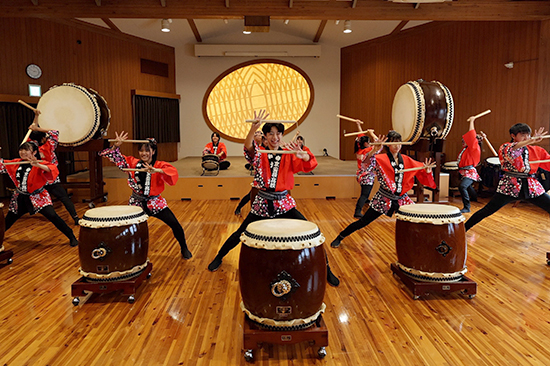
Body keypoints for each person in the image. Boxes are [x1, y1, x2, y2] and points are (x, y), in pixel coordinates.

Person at [208, 110, 340, 287]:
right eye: (270, 133)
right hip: (262, 203)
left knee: (313, 234)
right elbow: (248, 147)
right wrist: (252, 129)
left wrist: (303, 155)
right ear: (265, 136)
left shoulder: (288, 152)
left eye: (278, 133)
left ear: (282, 135)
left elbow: (309, 162)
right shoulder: (259, 153)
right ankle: (219, 257)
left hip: (284, 204)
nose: (274, 137)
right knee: (240, 233)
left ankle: (327, 270)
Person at [331, 130, 436, 248]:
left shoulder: (407, 159)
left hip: (402, 199)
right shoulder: (380, 159)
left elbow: (421, 170)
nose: (397, 146)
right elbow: (365, 165)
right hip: (384, 198)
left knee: (415, 219)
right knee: (363, 221)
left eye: (399, 142)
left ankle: (425, 244)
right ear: (387, 145)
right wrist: (374, 151)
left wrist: (427, 171)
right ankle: (340, 236)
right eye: (393, 143)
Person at [99, 132, 193, 259]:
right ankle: (125, 252)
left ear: (153, 151)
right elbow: (115, 157)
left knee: (175, 224)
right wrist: (116, 146)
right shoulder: (132, 163)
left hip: (154, 202)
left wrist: (157, 171)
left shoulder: (159, 165)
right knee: (126, 228)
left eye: (147, 150)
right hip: (136, 202)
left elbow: (172, 172)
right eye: (141, 150)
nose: (144, 153)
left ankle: (184, 248)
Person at [465, 123, 550, 231]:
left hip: (531, 186)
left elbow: (548, 163)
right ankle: (463, 229)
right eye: (523, 135)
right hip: (510, 186)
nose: (526, 137)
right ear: (513, 136)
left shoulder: (537, 150)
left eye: (528, 135)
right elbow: (513, 150)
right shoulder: (506, 147)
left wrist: (530, 142)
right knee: (488, 210)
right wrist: (530, 140)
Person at [0, 141, 79, 247]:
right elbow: (2, 164)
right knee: (9, 220)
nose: (23, 152)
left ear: (34, 152)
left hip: (38, 197)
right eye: (21, 150)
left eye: (26, 150)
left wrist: (37, 164)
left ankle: (71, 236)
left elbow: (51, 169)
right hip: (20, 197)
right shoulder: (16, 162)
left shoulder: (40, 163)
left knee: (53, 216)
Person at [28, 110, 80, 225]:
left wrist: (36, 117)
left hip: (38, 178)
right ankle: (76, 218)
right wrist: (37, 128)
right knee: (64, 197)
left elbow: (31, 130)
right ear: (43, 139)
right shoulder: (49, 145)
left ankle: (30, 210)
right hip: (51, 177)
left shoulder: (30, 147)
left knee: (28, 195)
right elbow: (54, 131)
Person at [456, 115, 484, 213]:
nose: (463, 141)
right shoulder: (466, 149)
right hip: (464, 171)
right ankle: (474, 197)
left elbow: (472, 135)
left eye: (465, 140)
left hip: (469, 171)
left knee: (462, 186)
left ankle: (467, 207)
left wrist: (472, 121)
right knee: (467, 186)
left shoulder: (474, 148)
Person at [235, 131, 266, 215]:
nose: (258, 136)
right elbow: (248, 147)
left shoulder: (266, 147)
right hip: (259, 177)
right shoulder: (254, 147)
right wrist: (253, 129)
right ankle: (239, 207)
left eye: (260, 134)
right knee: (251, 195)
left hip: (268, 177)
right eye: (256, 134)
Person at [353, 129, 381, 218]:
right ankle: (357, 211)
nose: (371, 143)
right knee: (364, 194)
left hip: (361, 174)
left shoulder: (360, 150)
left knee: (364, 192)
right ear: (365, 144)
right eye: (369, 142)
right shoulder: (367, 151)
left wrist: (359, 126)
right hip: (367, 176)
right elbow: (379, 144)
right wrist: (372, 133)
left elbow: (360, 137)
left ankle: (365, 201)